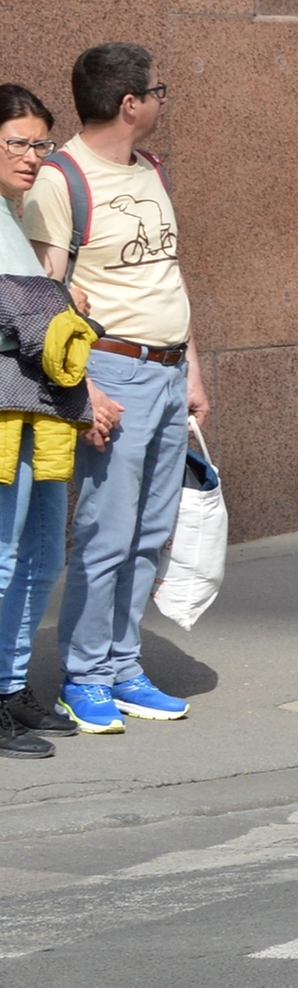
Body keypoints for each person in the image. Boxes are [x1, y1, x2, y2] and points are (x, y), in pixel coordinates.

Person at [22, 44, 205, 734]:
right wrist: (84, 392)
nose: (164, 99)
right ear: (130, 104)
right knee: (106, 529)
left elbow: (168, 275)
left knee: (150, 531)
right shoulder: (63, 180)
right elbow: (46, 298)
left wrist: (193, 365)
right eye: (159, 90)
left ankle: (124, 664)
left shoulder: (149, 169)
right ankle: (85, 674)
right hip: (114, 372)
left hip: (165, 365)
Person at [0, 86, 103, 760]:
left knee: (41, 556)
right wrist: (66, 305)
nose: (34, 157)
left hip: (38, 410)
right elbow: (24, 316)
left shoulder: (12, 214)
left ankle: (10, 689)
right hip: (12, 411)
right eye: (18, 142)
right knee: (6, 556)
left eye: (41, 143)